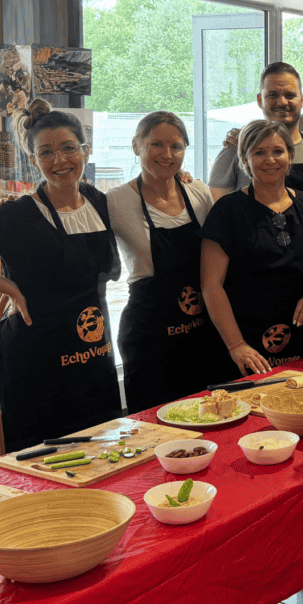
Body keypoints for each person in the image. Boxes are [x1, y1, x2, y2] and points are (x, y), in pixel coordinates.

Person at [0, 101, 121, 451]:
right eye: (46, 152)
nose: (60, 160)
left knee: (103, 462)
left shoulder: (101, 203)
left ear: (84, 150)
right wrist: (8, 287)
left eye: (68, 148)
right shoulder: (17, 216)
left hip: (94, 361)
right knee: (41, 473)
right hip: (36, 370)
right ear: (33, 161)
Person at [107, 112, 218, 411]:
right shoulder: (115, 200)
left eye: (177, 146)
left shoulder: (198, 192)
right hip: (148, 339)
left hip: (199, 334)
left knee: (205, 422)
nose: (167, 155)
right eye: (156, 144)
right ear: (136, 146)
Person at [201, 120, 303, 377]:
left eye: (278, 151)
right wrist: (237, 345)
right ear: (245, 159)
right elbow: (211, 285)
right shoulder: (227, 211)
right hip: (247, 346)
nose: (270, 159)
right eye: (259, 152)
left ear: (290, 156)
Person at [208, 61, 303, 209]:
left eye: (290, 95)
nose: (282, 102)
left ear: (302, 100)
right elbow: (217, 209)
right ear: (260, 100)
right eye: (273, 95)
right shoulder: (235, 147)